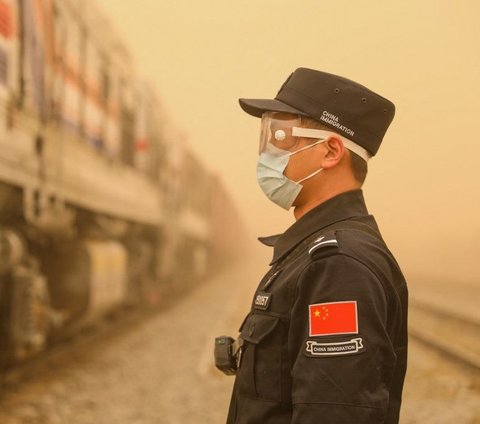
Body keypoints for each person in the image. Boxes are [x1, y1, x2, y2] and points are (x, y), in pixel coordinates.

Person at [218, 68, 408, 424]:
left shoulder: (339, 267)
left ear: (331, 151)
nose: (266, 154)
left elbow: (335, 413)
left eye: (280, 135)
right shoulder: (311, 253)